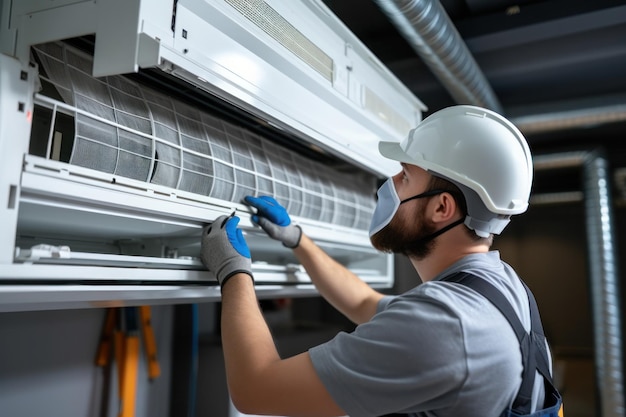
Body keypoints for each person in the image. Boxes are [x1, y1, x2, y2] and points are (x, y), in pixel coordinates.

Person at [200, 105, 557, 416]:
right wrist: (298, 240)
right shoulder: (499, 289)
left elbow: (256, 389)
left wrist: (234, 273)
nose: (391, 183)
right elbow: (365, 303)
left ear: (441, 208)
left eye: (406, 176)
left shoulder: (447, 325)